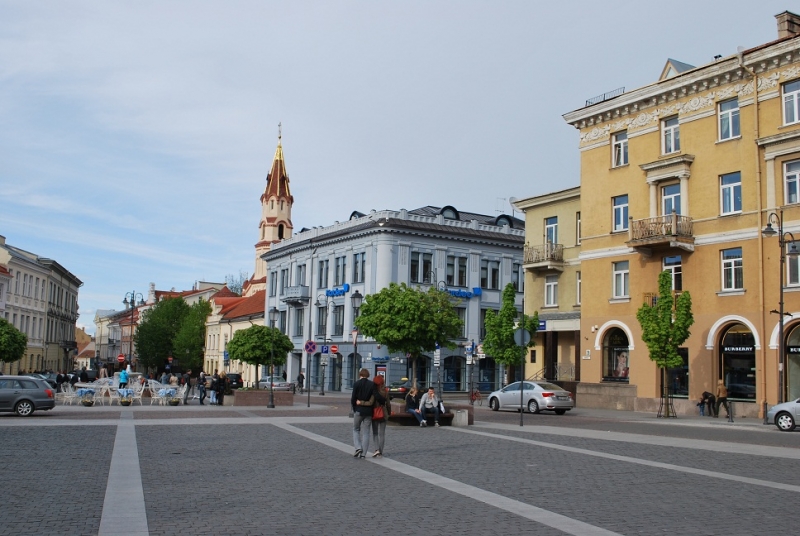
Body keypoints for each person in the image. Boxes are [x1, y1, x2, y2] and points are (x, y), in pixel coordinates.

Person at [350, 368, 375, 458]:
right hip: (368, 412)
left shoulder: (356, 384)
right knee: (366, 432)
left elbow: (353, 398)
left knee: (356, 429)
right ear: (367, 375)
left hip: (359, 410)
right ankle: (364, 453)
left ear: (360, 374)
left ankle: (358, 447)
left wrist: (354, 408)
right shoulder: (372, 384)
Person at [371, 375, 390, 457]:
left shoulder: (373, 391)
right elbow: (388, 404)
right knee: (382, 434)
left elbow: (371, 402)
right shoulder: (385, 391)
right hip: (383, 413)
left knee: (375, 433)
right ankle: (381, 451)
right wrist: (388, 413)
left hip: (375, 413)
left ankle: (376, 449)